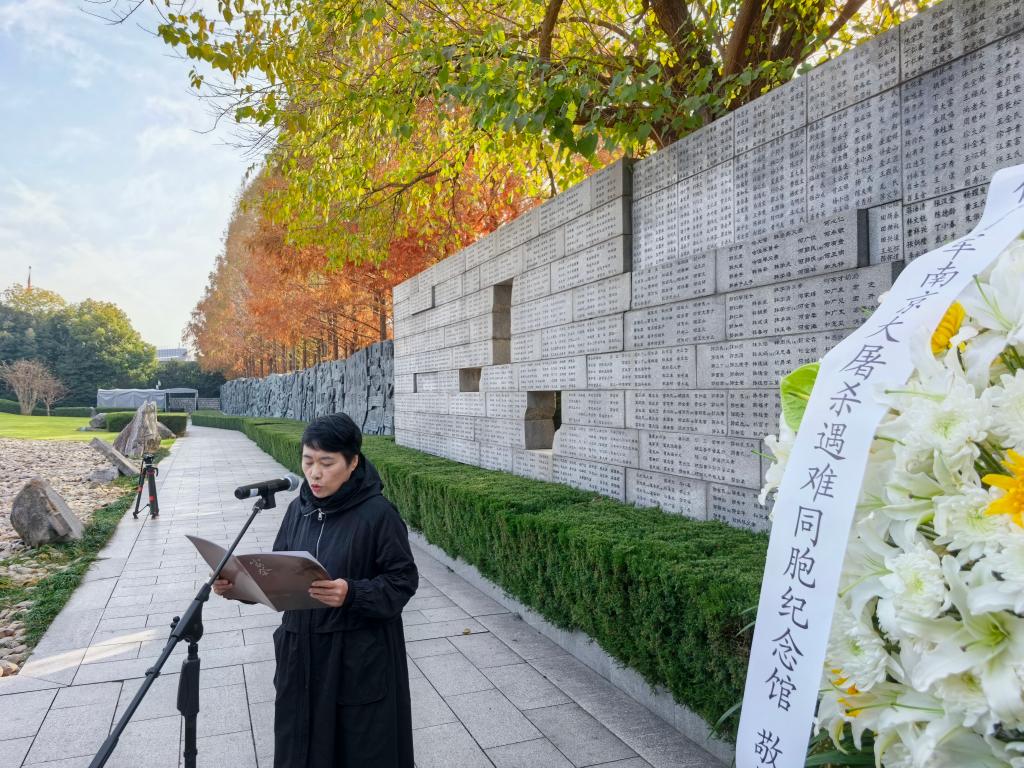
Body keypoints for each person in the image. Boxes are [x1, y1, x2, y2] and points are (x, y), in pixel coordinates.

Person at [213, 413, 418, 767]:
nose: (314, 473)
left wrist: (351, 593)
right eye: (308, 461)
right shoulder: (299, 509)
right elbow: (277, 572)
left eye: (327, 462)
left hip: (354, 661)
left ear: (353, 463)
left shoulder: (378, 514)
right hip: (300, 658)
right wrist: (239, 588)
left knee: (356, 753)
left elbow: (403, 580)